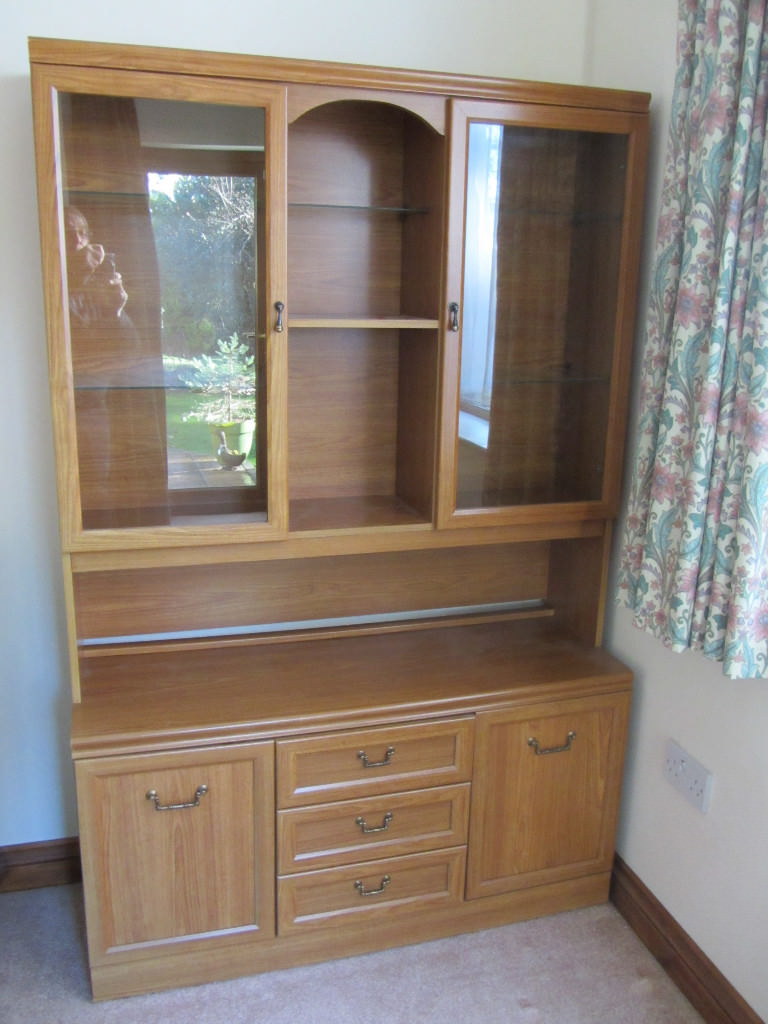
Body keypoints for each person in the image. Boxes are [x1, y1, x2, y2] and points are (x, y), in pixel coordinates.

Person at [64, 206, 131, 327]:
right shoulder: (45, 280)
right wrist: (76, 274)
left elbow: (132, 344)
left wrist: (116, 311)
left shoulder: (98, 288)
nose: (77, 239)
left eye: (82, 233)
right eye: (67, 233)